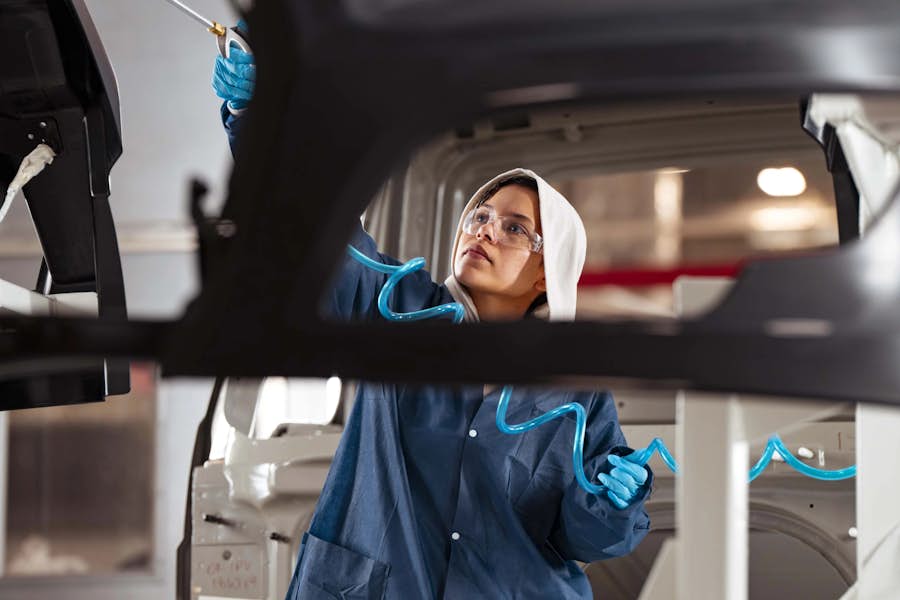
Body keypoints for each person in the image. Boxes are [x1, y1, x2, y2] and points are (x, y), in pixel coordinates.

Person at [214, 42, 652, 599]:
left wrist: (613, 501)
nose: (485, 230)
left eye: (514, 228)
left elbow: (581, 538)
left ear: (550, 273)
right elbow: (313, 230)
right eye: (480, 216)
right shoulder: (396, 308)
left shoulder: (575, 388)